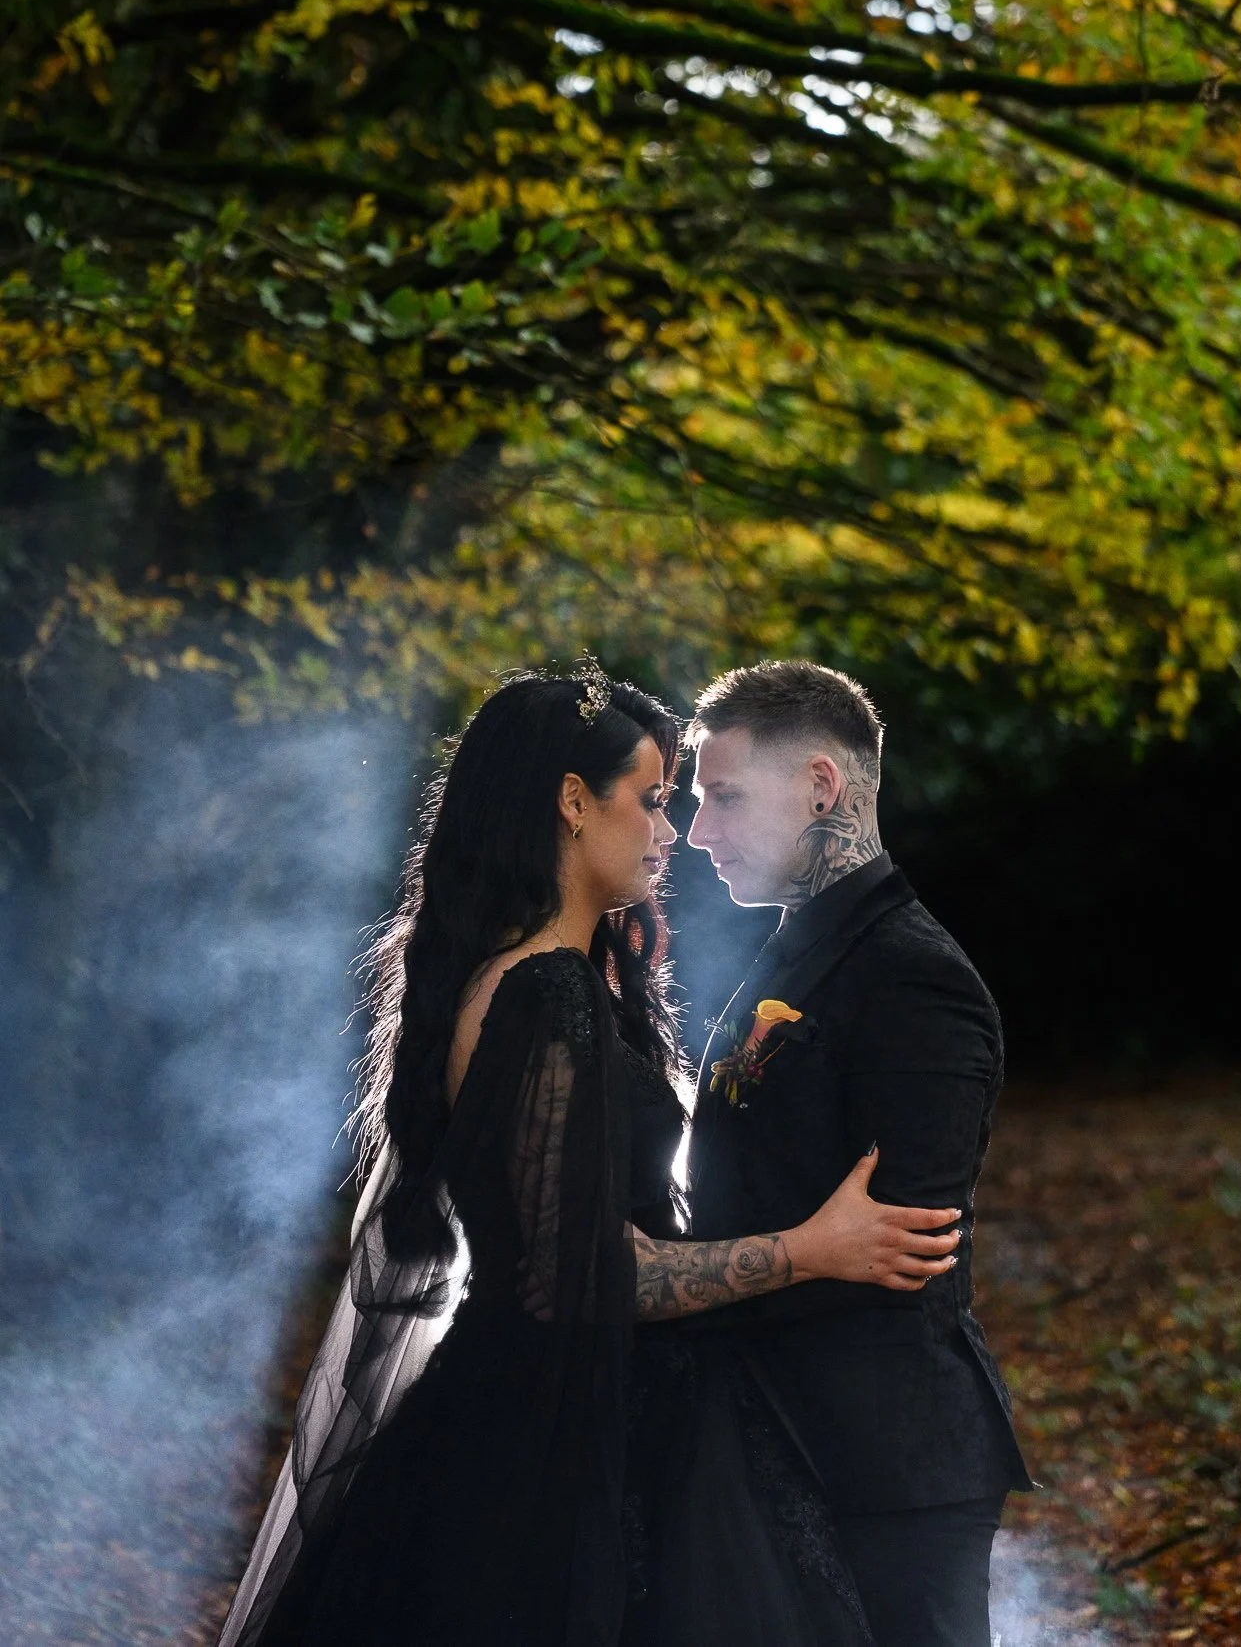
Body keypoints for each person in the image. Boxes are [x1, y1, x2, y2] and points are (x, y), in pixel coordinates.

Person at [217, 664, 962, 1647]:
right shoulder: (542, 995)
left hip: (563, 1411)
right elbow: (574, 1276)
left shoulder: (556, 981)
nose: (670, 832)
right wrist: (806, 1248)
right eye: (652, 801)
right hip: (560, 1438)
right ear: (573, 801)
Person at [684, 659, 1031, 1647]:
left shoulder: (913, 976)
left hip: (888, 1464)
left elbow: (900, 1244)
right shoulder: (802, 941)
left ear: (821, 787)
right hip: (789, 1441)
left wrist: (676, 1285)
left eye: (723, 796)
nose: (699, 831)